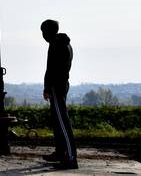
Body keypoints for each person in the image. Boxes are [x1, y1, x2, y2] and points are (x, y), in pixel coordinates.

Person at [41, 19, 78, 169]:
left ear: (47, 32)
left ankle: (71, 157)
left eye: (43, 32)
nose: (43, 35)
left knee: (62, 122)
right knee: (58, 121)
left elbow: (52, 70)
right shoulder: (63, 43)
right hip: (60, 85)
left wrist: (48, 88)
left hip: (56, 87)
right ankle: (60, 153)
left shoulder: (57, 45)